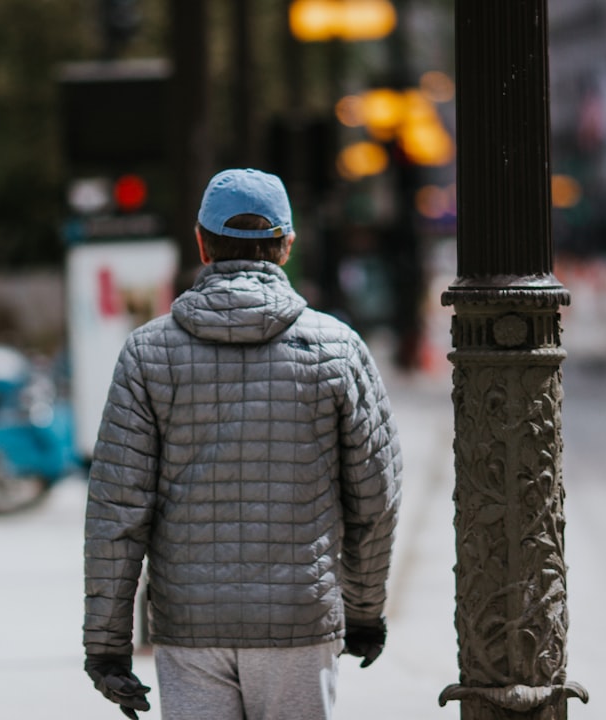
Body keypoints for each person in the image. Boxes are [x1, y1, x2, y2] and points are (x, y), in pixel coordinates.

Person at [83, 168, 402, 719]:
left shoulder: (147, 353)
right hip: (300, 620)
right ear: (286, 246)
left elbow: (117, 510)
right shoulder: (338, 349)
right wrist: (364, 608)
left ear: (202, 243)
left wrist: (107, 644)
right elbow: (376, 498)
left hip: (190, 626)